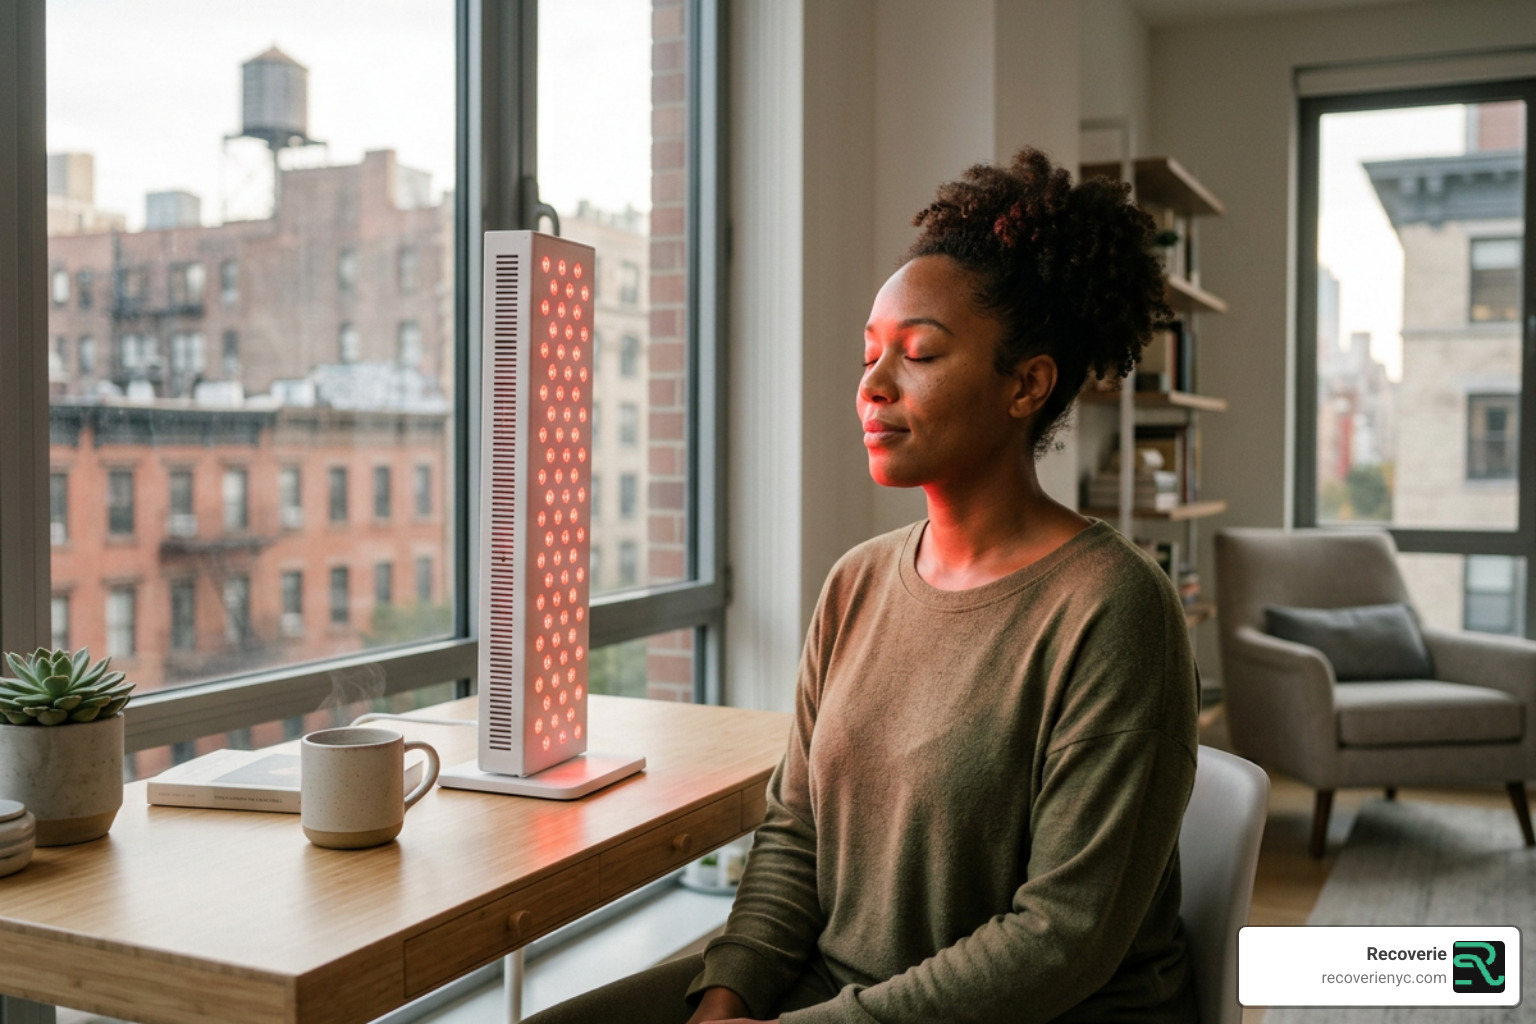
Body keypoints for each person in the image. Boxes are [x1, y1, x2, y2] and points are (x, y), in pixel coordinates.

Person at [526, 147, 1199, 1024]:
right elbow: (795, 837)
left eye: (917, 355)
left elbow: (1058, 940)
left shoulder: (1114, 610)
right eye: (869, 353)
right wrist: (725, 1001)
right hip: (833, 986)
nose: (872, 386)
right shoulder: (857, 583)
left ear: (1027, 385)